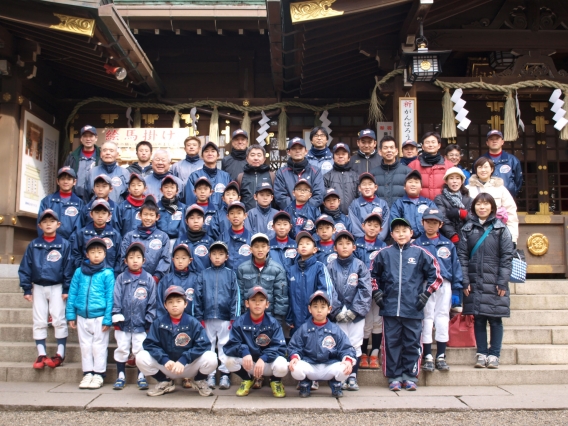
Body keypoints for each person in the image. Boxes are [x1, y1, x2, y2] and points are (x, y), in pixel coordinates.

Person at [371, 218, 443, 391]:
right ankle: (394, 376)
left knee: (412, 343)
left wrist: (426, 294)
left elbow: (437, 276)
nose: (401, 234)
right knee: (392, 343)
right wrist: (377, 293)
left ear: (411, 233)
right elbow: (372, 276)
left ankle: (410, 376)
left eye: (405, 231)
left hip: (413, 308)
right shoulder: (384, 253)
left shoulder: (420, 253)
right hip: (390, 308)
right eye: (397, 231)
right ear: (392, 235)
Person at [458, 193, 514, 369]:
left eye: (485, 204)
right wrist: (465, 281)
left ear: (492, 207)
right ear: (473, 207)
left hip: (495, 279)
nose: (482, 207)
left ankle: (494, 354)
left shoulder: (501, 229)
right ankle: (481, 353)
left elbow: (507, 257)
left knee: (496, 319)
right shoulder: (467, 229)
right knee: (479, 318)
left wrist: (502, 281)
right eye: (478, 204)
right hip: (474, 279)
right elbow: (462, 257)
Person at [136, 285, 217, 397]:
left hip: (187, 366)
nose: (174, 305)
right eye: (170, 302)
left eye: (178, 301)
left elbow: (203, 344)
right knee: (141, 356)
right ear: (165, 305)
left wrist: (184, 359)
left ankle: (199, 380)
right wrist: (164, 359)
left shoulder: (193, 322)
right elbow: (150, 344)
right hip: (167, 366)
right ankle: (164, 381)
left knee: (211, 357)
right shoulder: (158, 323)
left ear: (185, 304)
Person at [19, 209, 74, 370]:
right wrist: (26, 288)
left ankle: (60, 352)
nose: (48, 224)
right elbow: (25, 267)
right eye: (45, 222)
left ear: (58, 224)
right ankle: (41, 352)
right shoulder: (34, 245)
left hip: (57, 286)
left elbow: (68, 268)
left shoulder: (64, 244)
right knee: (39, 319)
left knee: (58, 318)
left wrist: (66, 287)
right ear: (40, 225)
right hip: (38, 286)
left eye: (51, 221)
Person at [415, 208, 463, 373]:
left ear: (440, 224)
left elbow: (456, 267)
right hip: (425, 285)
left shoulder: (447, 244)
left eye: (435, 222)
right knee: (427, 318)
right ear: (422, 222)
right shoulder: (417, 244)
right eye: (428, 221)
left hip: (444, 284)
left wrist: (457, 291)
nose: (431, 225)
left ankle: (441, 355)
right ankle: (427, 355)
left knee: (442, 317)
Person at [66, 237, 115, 389]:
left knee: (99, 346)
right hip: (82, 315)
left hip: (99, 316)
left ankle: (99, 374)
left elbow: (110, 297)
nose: (96, 255)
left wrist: (108, 318)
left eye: (99, 252)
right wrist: (70, 315)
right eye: (92, 252)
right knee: (85, 345)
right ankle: (88, 373)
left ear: (105, 254)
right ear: (86, 254)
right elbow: (72, 293)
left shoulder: (107, 273)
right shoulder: (79, 272)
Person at [288, 290, 356, 398]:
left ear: (329, 309)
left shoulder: (335, 329)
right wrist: (294, 357)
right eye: (315, 306)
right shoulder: (304, 328)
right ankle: (305, 383)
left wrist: (348, 360)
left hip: (329, 365)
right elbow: (294, 346)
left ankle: (335, 383)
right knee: (295, 367)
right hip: (310, 365)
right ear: (309, 309)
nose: (319, 310)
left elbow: (346, 348)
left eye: (323, 306)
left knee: (345, 367)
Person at [223, 286, 288, 397]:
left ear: (267, 304)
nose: (257, 304)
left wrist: (264, 358)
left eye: (261, 300)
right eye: (253, 300)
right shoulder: (239, 322)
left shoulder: (273, 323)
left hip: (267, 364)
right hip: (249, 364)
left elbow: (280, 347)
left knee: (282, 365)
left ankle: (275, 381)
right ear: (247, 303)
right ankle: (247, 379)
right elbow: (231, 345)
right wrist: (244, 351)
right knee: (228, 360)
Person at [327, 230, 371, 391]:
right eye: (340, 244)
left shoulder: (360, 265)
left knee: (355, 344)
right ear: (334, 247)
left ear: (353, 247)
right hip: (338, 314)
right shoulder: (330, 266)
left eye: (347, 244)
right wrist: (336, 310)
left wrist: (355, 310)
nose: (344, 247)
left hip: (356, 314)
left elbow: (365, 290)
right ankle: (340, 376)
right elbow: (328, 288)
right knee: (339, 344)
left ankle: (352, 375)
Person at [193, 241, 241, 390]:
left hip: (225, 316)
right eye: (214, 254)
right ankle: (210, 374)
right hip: (207, 317)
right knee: (209, 346)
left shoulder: (231, 274)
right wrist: (199, 316)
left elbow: (235, 296)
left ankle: (225, 374)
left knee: (224, 345)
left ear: (226, 257)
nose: (217, 257)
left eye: (221, 254)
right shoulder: (203, 274)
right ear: (209, 256)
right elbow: (197, 296)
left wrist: (234, 316)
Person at [111, 242, 157, 390]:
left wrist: (149, 320)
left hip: (140, 323)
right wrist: (116, 317)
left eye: (138, 257)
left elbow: (152, 302)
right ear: (125, 261)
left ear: (144, 260)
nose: (135, 260)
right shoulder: (121, 279)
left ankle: (141, 376)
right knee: (122, 348)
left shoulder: (148, 279)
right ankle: (121, 376)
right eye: (131, 257)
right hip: (123, 323)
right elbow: (116, 298)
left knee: (140, 349)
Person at [154, 243, 199, 391]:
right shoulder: (166, 279)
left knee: (188, 345)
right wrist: (162, 320)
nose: (180, 261)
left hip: (190, 321)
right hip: (170, 321)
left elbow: (199, 300)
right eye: (177, 258)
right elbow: (160, 301)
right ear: (172, 259)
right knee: (171, 347)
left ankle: (187, 376)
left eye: (184, 258)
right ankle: (169, 376)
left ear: (190, 260)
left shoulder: (196, 278)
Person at [286, 231, 336, 333]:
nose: (304, 246)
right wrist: (289, 317)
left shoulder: (320, 267)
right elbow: (288, 295)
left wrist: (322, 313)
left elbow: (326, 292)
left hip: (316, 319)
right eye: (301, 244)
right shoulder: (291, 270)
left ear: (315, 250)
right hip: (296, 320)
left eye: (307, 243)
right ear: (297, 249)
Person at [354, 212, 386, 369]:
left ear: (380, 229)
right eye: (369, 224)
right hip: (361, 289)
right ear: (363, 226)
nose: (372, 228)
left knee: (377, 321)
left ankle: (375, 352)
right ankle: (363, 351)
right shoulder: (356, 245)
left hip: (378, 289)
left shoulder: (383, 247)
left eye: (376, 226)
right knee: (365, 322)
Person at [237, 233, 288, 322]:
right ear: (251, 249)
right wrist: (241, 315)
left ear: (268, 248)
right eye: (256, 246)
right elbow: (239, 295)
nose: (260, 250)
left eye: (263, 246)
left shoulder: (278, 269)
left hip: (270, 318)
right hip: (247, 317)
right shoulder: (242, 269)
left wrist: (277, 319)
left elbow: (281, 296)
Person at [467, 157, 519, 244]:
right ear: (476, 170)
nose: (483, 170)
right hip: (474, 234)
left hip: (496, 233)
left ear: (492, 169)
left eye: (486, 167)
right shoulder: (468, 189)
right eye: (480, 167)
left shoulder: (500, 189)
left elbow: (511, 213)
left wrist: (512, 238)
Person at [120, 197, 171, 284]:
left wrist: (156, 277)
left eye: (151, 215)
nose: (148, 218)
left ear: (157, 217)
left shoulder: (163, 237)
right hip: (132, 280)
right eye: (145, 214)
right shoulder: (129, 236)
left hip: (156, 282)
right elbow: (123, 258)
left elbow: (165, 259)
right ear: (140, 215)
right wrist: (131, 275)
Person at [71, 199, 121, 275]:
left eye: (103, 213)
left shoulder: (115, 235)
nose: (100, 216)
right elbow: (75, 253)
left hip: (107, 277)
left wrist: (114, 274)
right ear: (91, 214)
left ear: (109, 215)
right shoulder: (82, 233)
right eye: (97, 213)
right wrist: (82, 269)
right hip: (86, 275)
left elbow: (119, 257)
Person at [274, 137, 325, 210]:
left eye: (300, 148)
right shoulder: (281, 172)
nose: (297, 151)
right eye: (294, 148)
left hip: (310, 215)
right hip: (289, 215)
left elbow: (318, 195)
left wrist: (304, 209)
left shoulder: (315, 171)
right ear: (288, 152)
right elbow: (280, 196)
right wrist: (294, 209)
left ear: (306, 151)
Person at [37, 166, 84, 240]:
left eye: (69, 179)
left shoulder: (79, 203)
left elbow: (79, 227)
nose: (65, 182)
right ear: (57, 181)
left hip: (71, 246)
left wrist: (69, 244)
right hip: (50, 243)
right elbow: (40, 224)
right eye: (62, 179)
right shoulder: (47, 201)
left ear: (74, 182)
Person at [390, 170, 436, 240]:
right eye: (410, 182)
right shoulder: (398, 203)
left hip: (426, 240)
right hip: (405, 241)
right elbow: (394, 224)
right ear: (404, 187)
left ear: (421, 188)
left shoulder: (429, 203)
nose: (413, 185)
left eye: (416, 182)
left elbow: (436, 222)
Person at [184, 141, 231, 209]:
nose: (209, 153)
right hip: (200, 216)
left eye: (213, 151)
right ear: (202, 156)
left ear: (218, 155)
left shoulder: (226, 177)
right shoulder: (194, 176)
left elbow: (230, 199)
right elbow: (190, 202)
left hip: (221, 218)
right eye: (206, 151)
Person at [434, 167, 473, 244]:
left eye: (458, 178)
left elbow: (473, 218)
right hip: (446, 238)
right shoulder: (440, 199)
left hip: (466, 238)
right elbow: (442, 217)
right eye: (451, 178)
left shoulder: (469, 199)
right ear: (446, 181)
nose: (454, 181)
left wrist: (463, 214)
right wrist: (452, 235)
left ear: (462, 181)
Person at [408, 132, 453, 200]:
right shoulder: (413, 165)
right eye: (427, 142)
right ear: (422, 146)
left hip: (443, 206)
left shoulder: (449, 165)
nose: (430, 145)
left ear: (439, 145)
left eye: (433, 142)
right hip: (419, 205)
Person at [370, 136, 411, 207]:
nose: (389, 150)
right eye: (385, 148)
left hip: (400, 216)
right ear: (380, 152)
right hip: (379, 215)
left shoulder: (407, 172)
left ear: (396, 151)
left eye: (391, 147)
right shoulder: (373, 173)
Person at [63, 125, 101, 201]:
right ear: (81, 139)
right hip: (75, 197)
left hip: (95, 198)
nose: (88, 139)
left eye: (91, 136)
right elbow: (64, 176)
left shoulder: (101, 157)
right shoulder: (72, 157)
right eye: (85, 136)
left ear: (96, 138)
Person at [480, 129, 523, 197]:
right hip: (486, 199)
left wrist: (512, 191)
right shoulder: (480, 160)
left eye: (497, 138)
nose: (494, 141)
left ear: (502, 142)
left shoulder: (512, 160)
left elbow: (518, 181)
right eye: (491, 139)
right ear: (487, 143)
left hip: (507, 198)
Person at [349, 173, 389, 241]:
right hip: (360, 244)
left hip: (379, 244)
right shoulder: (354, 204)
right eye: (364, 184)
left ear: (375, 187)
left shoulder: (383, 204)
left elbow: (385, 225)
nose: (367, 187)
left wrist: (377, 240)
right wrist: (364, 240)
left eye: (370, 184)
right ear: (359, 188)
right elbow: (354, 226)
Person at [174, 204, 213, 274]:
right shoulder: (180, 241)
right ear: (186, 221)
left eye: (199, 218)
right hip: (185, 281)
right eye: (192, 218)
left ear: (203, 220)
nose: (195, 221)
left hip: (204, 281)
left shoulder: (209, 241)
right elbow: (174, 266)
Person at [323, 143, 358, 215]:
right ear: (333, 158)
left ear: (349, 158)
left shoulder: (356, 176)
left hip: (353, 217)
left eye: (344, 153)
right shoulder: (326, 177)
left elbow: (360, 197)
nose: (340, 156)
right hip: (334, 217)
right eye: (337, 154)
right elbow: (323, 199)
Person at [236, 145, 273, 211]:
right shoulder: (240, 177)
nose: (256, 158)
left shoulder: (271, 176)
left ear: (264, 159)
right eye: (252, 155)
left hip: (267, 216)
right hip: (247, 216)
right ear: (247, 158)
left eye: (259, 155)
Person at [156, 175, 187, 250]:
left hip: (177, 241)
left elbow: (183, 228)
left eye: (172, 187)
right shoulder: (156, 207)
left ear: (177, 190)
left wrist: (180, 242)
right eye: (166, 187)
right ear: (161, 190)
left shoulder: (183, 208)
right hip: (159, 242)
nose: (169, 190)